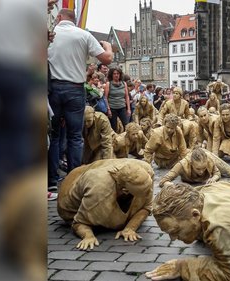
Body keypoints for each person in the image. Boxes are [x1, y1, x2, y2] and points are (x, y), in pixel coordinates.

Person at [48, 8, 113, 189]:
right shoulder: (82, 35)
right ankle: (74, 179)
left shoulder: (49, 34)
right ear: (74, 20)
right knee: (75, 136)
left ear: (59, 18)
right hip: (75, 88)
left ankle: (52, 181)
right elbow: (107, 58)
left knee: (53, 136)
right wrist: (107, 46)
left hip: (53, 88)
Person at [57, 159, 154, 250]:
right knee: (108, 217)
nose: (150, 192)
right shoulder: (99, 190)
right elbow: (79, 222)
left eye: (149, 187)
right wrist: (88, 236)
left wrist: (130, 228)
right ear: (125, 190)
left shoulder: (146, 170)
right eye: (145, 191)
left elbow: (146, 206)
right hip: (72, 190)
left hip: (99, 167)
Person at [159, 147, 230, 187]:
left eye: (204, 168)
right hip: (193, 155)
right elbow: (163, 181)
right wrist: (171, 185)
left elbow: (217, 173)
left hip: (206, 154)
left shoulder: (209, 160)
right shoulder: (182, 164)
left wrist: (213, 178)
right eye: (198, 169)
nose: (201, 171)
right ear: (191, 164)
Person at [104, 67, 131, 132]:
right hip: (112, 108)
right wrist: (108, 109)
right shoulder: (108, 84)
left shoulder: (124, 83)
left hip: (122, 107)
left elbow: (127, 96)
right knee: (114, 127)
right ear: (112, 75)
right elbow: (105, 98)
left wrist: (128, 109)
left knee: (126, 125)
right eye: (114, 74)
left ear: (120, 74)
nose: (116, 75)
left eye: (118, 73)